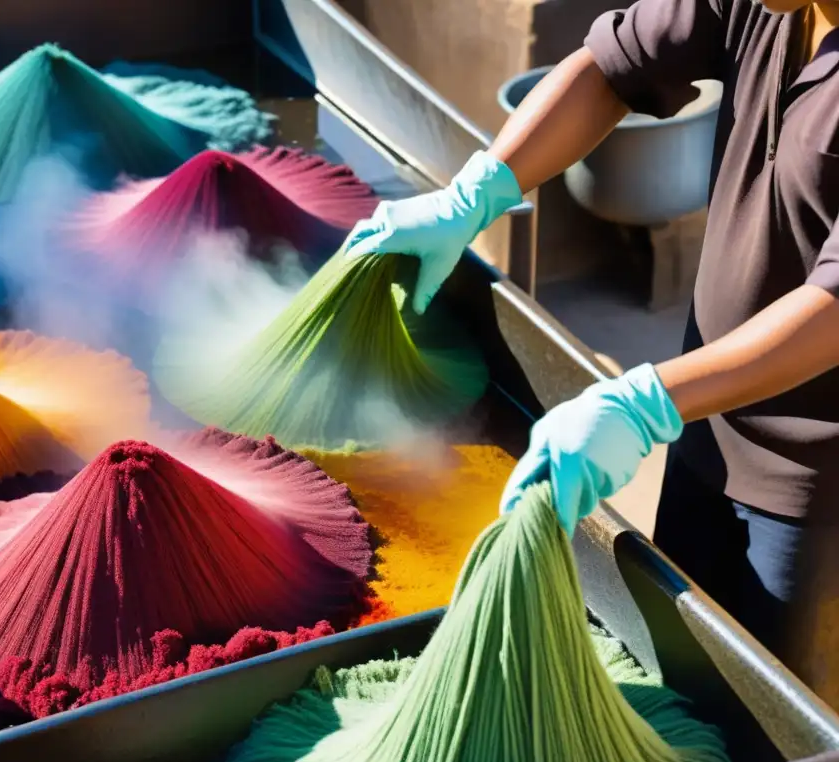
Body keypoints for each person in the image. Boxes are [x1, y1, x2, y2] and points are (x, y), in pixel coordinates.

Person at [345, 0, 839, 656]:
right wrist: (478, 192)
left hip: (814, 495)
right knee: (687, 686)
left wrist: (643, 404)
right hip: (706, 425)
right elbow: (613, 69)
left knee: (787, 728)